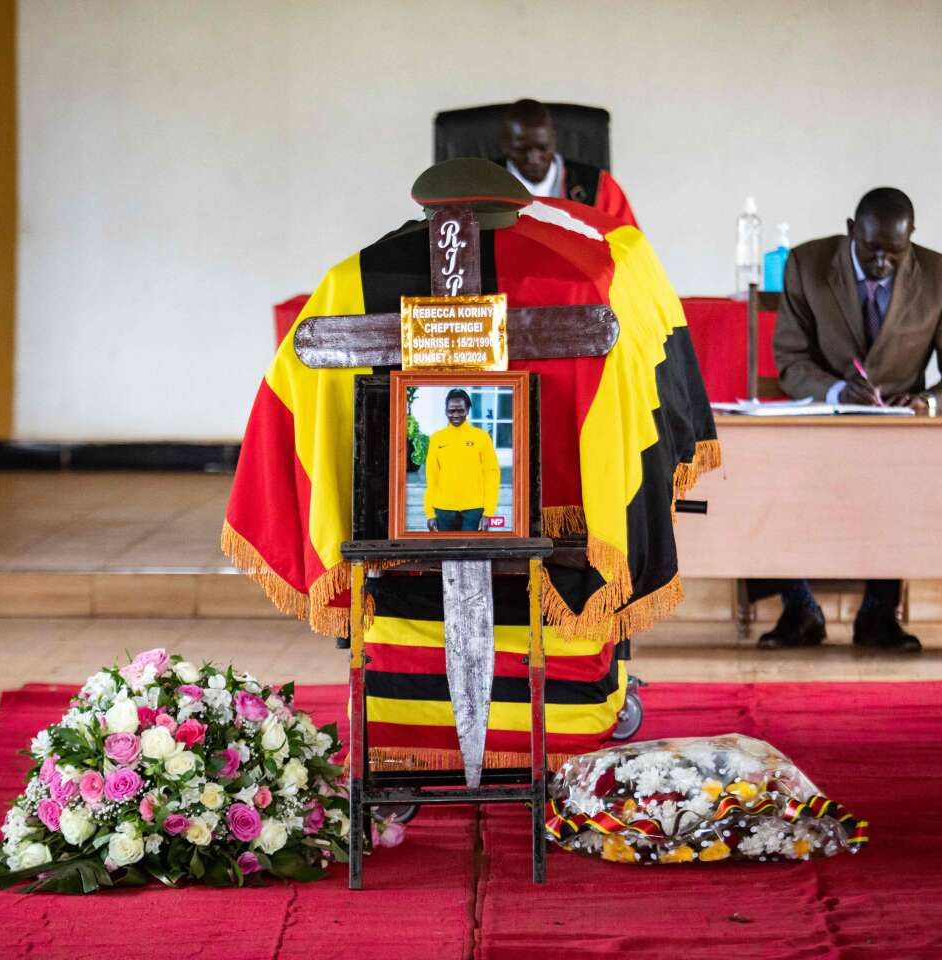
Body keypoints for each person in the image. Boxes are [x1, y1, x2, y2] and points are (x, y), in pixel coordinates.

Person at [223, 158, 718, 764]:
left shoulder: (350, 279)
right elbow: (632, 402)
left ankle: (412, 729)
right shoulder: (584, 277)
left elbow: (297, 401)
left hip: (403, 535)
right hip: (534, 537)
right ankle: (548, 727)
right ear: (513, 207)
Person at [755, 187, 942, 653]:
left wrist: (928, 403)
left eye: (896, 252)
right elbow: (790, 359)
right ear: (850, 232)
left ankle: (879, 614)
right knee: (767, 476)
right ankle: (799, 608)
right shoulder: (808, 264)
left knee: (899, 485)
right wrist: (837, 390)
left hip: (897, 429)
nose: (883, 262)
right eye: (872, 250)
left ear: (912, 238)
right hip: (822, 418)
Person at [498, 99, 638, 228]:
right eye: (522, 149)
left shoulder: (600, 187)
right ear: (505, 145)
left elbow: (630, 247)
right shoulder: (482, 187)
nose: (534, 158)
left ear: (554, 140)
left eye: (543, 148)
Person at [423, 389, 501, 532]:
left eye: (460, 410)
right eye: (451, 411)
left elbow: (492, 475)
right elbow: (431, 477)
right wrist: (430, 513)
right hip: (443, 510)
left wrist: (488, 512)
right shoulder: (436, 439)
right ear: (445, 411)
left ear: (468, 410)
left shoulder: (481, 437)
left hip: (474, 510)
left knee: (472, 554)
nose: (456, 415)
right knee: (445, 553)